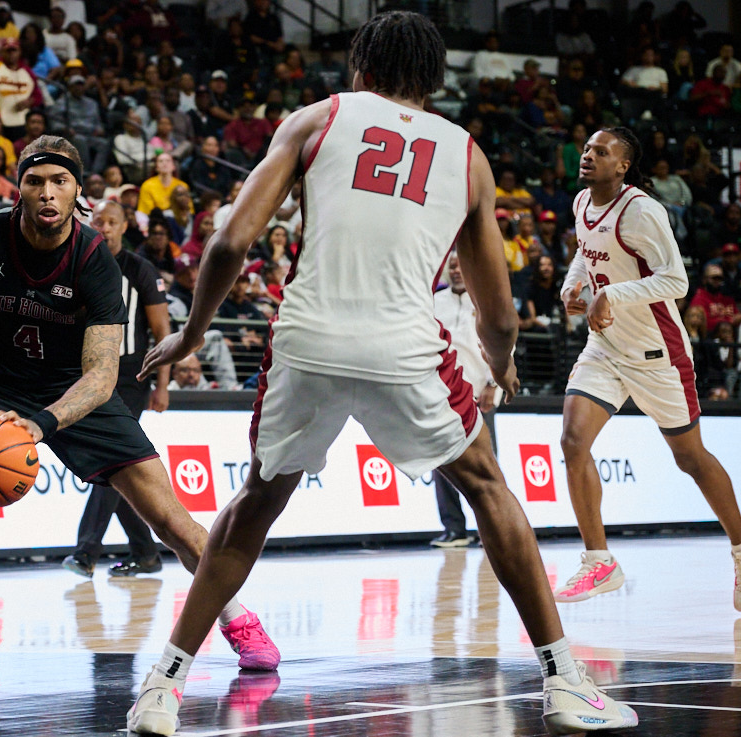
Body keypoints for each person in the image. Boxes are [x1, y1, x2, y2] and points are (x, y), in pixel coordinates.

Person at [128, 12, 637, 736]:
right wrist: (499, 364)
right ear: (432, 80)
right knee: (487, 487)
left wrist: (191, 333)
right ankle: (563, 680)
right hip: (403, 346)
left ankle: (164, 687)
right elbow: (498, 313)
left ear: (360, 67)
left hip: (306, 337)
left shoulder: (316, 119)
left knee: (254, 505)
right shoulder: (467, 156)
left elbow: (231, 240)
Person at [0, 136, 279, 671]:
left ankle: (239, 620)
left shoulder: (93, 258)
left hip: (75, 390)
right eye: (35, 181)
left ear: (78, 191)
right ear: (19, 189)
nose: (47, 193)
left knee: (170, 520)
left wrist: (38, 424)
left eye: (60, 182)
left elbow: (102, 375)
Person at [555, 126, 741, 612]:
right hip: (605, 347)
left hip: (657, 355)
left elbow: (676, 281)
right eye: (587, 149)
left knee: (690, 458)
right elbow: (586, 255)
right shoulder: (581, 202)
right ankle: (599, 561)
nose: (588, 155)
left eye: (601, 151)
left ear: (623, 166)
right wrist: (573, 286)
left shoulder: (641, 211)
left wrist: (611, 295)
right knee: (573, 442)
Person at [63, 201, 170, 579]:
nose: (105, 227)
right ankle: (146, 552)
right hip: (87, 374)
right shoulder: (79, 264)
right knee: (114, 465)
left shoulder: (139, 268)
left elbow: (162, 331)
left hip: (130, 377)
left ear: (125, 227)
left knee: (110, 459)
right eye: (99, 221)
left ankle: (85, 552)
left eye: (112, 222)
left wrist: (162, 384)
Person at [429, 253, 499, 548]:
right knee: (441, 462)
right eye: (452, 266)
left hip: (480, 392)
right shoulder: (434, 301)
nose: (456, 270)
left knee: (486, 463)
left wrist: (494, 382)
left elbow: (502, 343)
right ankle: (455, 530)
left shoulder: (484, 299)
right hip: (442, 393)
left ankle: (493, 531)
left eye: (460, 265)